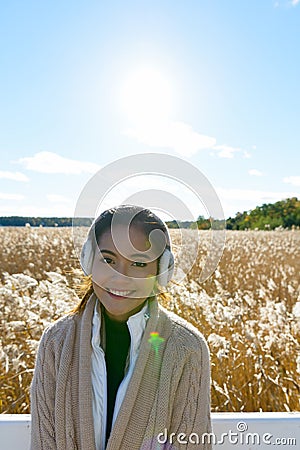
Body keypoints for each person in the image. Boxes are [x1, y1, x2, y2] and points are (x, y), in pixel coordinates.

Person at [30, 204, 212, 450]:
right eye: (108, 260)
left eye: (139, 264)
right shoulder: (56, 342)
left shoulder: (187, 348)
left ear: (160, 272)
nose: (121, 277)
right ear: (88, 260)